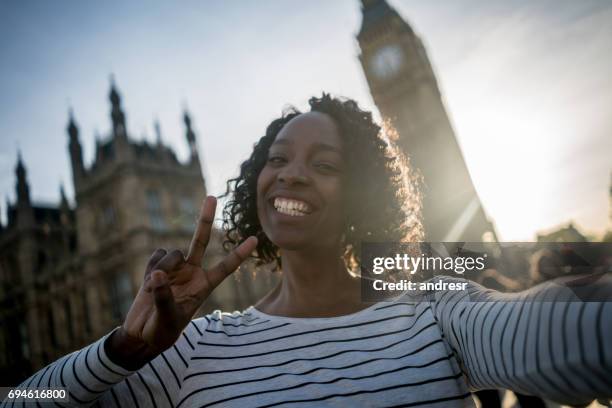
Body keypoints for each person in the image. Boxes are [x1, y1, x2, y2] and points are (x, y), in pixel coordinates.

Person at [4, 95, 612, 408]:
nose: (290, 176)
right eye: (276, 161)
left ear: (363, 197)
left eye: (323, 165)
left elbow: (572, 331)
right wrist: (121, 349)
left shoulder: (434, 313)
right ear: (256, 187)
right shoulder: (190, 347)